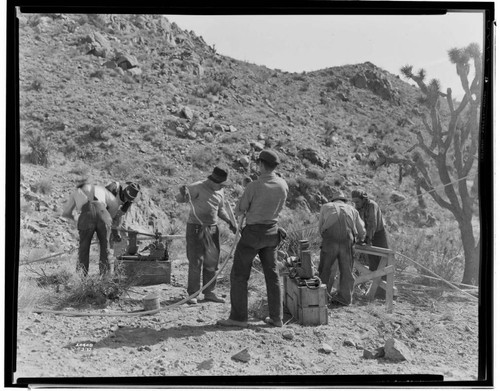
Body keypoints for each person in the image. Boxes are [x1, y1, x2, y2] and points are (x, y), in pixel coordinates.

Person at [217, 149, 288, 328]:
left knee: (239, 275)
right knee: (272, 276)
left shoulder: (254, 186)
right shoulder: (283, 184)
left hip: (253, 233)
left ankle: (238, 318)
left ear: (262, 164)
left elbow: (240, 209)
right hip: (272, 233)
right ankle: (277, 318)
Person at [176, 165, 237, 305]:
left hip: (212, 229)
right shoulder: (197, 187)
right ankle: (193, 294)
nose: (222, 187)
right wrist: (183, 194)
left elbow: (220, 209)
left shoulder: (220, 191)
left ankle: (209, 292)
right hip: (195, 228)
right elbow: (180, 199)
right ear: (213, 181)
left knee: (212, 261)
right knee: (195, 261)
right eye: (221, 184)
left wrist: (229, 222)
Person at [61, 180, 141, 276]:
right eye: (126, 197)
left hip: (97, 215)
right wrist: (110, 227)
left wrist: (116, 232)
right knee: (104, 246)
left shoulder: (129, 199)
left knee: (89, 247)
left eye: (129, 199)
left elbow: (119, 214)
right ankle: (101, 276)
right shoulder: (113, 188)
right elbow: (102, 206)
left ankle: (89, 276)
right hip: (102, 212)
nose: (127, 200)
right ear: (124, 190)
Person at [318, 190, 366, 306]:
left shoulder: (326, 207)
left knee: (325, 269)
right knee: (346, 271)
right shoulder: (352, 209)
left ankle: (322, 297)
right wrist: (360, 238)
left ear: (333, 200)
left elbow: (320, 227)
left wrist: (327, 239)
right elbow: (362, 231)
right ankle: (344, 299)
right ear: (344, 201)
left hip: (330, 240)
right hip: (347, 241)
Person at [351, 189, 388, 272]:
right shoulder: (358, 207)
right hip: (366, 234)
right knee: (372, 261)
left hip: (378, 234)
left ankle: (384, 281)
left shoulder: (371, 205)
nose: (355, 204)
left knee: (383, 259)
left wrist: (367, 239)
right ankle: (374, 281)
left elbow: (372, 224)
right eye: (354, 202)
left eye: (357, 202)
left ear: (363, 199)